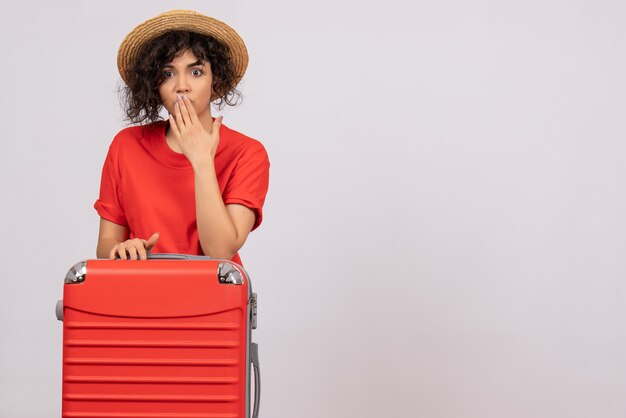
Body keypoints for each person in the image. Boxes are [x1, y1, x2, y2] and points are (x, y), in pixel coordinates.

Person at [94, 10, 270, 265]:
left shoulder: (248, 153)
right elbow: (106, 243)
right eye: (168, 73)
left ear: (216, 81)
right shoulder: (126, 145)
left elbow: (219, 251)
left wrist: (201, 160)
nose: (181, 85)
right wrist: (122, 249)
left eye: (196, 72)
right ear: (154, 84)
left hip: (214, 302)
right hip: (138, 298)